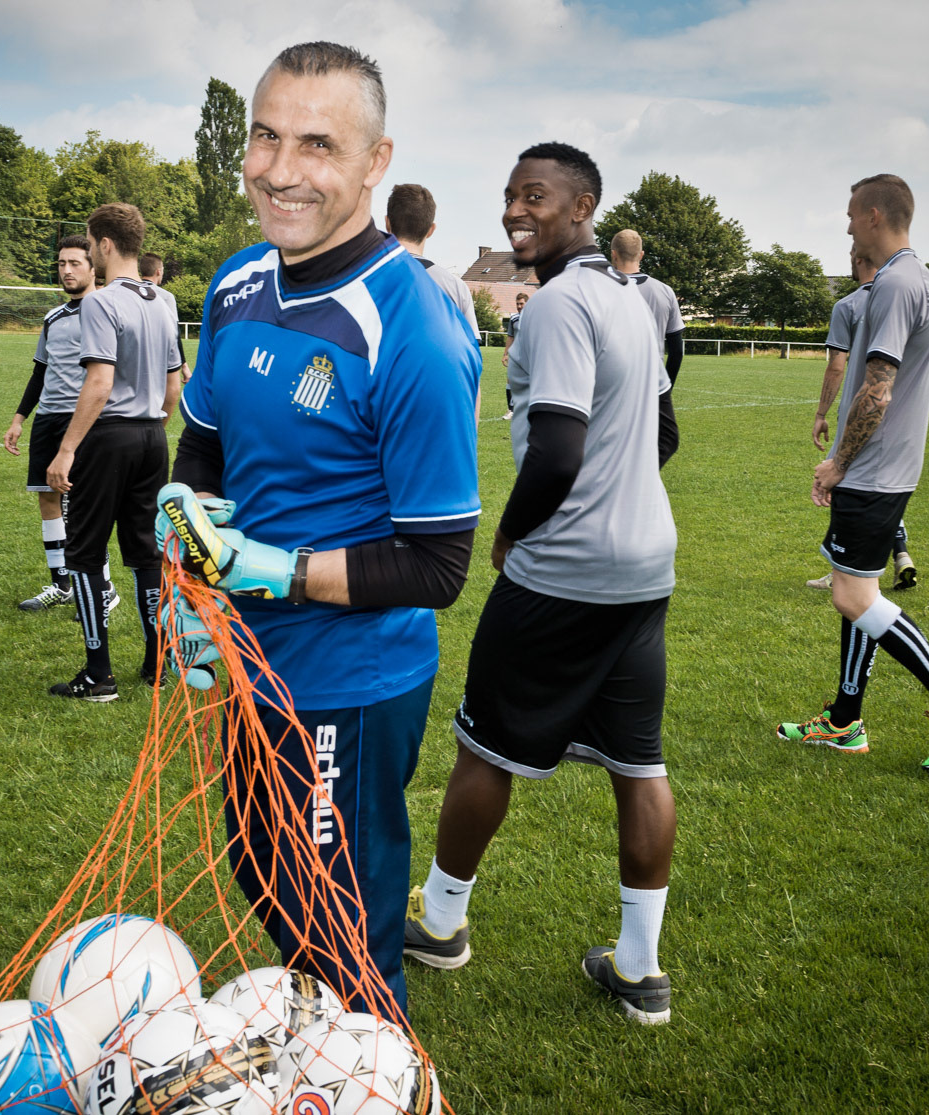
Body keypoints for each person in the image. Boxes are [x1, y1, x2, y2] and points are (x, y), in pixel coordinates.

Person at [157, 41, 480, 1016]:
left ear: (375, 163)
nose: (280, 170)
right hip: (251, 661)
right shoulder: (238, 283)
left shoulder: (413, 328)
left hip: (350, 685)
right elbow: (203, 445)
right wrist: (189, 565)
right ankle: (322, 1049)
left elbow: (437, 561)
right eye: (264, 135)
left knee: (343, 931)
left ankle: (379, 1068)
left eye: (317, 144)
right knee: (264, 872)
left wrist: (270, 570)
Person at [401, 143, 681, 1026]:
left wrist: (515, 530)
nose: (518, 210)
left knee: (485, 747)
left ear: (584, 205)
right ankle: (640, 969)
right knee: (640, 764)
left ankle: (441, 921)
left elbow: (558, 447)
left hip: (565, 572)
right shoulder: (631, 297)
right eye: (511, 196)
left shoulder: (560, 304)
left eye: (538, 196)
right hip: (646, 568)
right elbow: (662, 432)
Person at [778, 174, 929, 774]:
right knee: (859, 590)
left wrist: (837, 464)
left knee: (851, 594)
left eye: (851, 215)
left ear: (874, 215)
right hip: (882, 467)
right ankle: (846, 721)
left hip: (875, 468)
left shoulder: (898, 283)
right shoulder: (911, 278)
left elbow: (876, 392)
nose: (847, 225)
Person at [45, 203, 184, 700]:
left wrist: (66, 450)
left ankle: (98, 675)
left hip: (109, 438)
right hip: (153, 437)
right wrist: (152, 430)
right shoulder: (164, 302)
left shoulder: (100, 303)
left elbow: (99, 383)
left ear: (103, 245)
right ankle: (157, 663)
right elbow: (174, 387)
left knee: (83, 554)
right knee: (147, 553)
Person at [3, 235, 119, 614]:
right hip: (48, 420)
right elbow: (40, 372)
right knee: (48, 500)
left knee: (82, 506)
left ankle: (104, 587)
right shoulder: (52, 318)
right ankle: (61, 585)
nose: (66, 270)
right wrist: (20, 419)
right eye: (61, 264)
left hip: (83, 421)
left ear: (93, 267)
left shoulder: (106, 309)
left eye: (75, 263)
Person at [807, 251, 917, 592]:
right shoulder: (908, 297)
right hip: (902, 420)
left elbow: (837, 365)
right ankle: (900, 554)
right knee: (882, 491)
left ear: (857, 260)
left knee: (843, 482)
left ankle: (844, 569)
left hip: (862, 411)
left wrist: (822, 413)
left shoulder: (849, 306)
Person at [385, 183, 478, 334]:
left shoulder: (360, 278)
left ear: (387, 223)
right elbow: (471, 348)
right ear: (431, 230)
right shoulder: (455, 287)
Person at [609, 229, 684, 387]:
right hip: (652, 385)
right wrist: (665, 390)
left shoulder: (599, 289)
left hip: (611, 388)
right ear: (641, 255)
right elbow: (676, 351)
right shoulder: (665, 291)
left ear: (613, 254)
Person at [139, 252, 190, 382]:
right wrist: (184, 366)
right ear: (158, 271)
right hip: (158, 360)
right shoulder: (166, 297)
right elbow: (175, 333)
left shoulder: (129, 293)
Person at [501, 290, 529, 418]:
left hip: (530, 355)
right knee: (510, 380)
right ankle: (511, 409)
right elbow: (510, 337)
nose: (519, 306)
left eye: (521, 304)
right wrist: (505, 354)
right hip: (515, 355)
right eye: (517, 304)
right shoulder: (513, 319)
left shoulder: (534, 317)